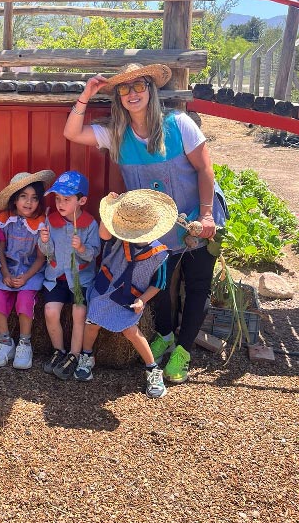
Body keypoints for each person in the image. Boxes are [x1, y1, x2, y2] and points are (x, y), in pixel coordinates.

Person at [63, 62, 227, 384]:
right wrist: (86, 94)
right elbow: (71, 132)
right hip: (153, 225)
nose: (132, 94)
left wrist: (206, 214)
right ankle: (164, 335)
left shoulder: (178, 125)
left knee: (195, 285)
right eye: (124, 89)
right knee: (160, 282)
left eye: (139, 86)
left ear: (151, 90)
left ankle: (183, 351)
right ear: (119, 97)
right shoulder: (116, 134)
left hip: (197, 217)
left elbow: (205, 170)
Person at [76, 189, 177, 398]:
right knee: (91, 320)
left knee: (131, 331)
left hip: (130, 298)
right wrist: (109, 213)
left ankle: (152, 368)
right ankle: (87, 356)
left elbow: (158, 284)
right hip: (106, 290)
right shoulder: (119, 239)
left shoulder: (159, 255)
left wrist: (141, 300)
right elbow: (104, 234)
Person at [0, 170, 55, 370]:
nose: (29, 202)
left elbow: (41, 258)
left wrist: (25, 277)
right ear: (14, 199)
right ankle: (5, 342)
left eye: (34, 198)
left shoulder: (41, 223)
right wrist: (6, 274)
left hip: (30, 271)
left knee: (25, 299)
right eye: (23, 197)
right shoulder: (3, 219)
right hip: (6, 269)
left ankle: (25, 343)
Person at [38, 170, 101, 380]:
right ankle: (59, 350)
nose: (60, 203)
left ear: (81, 200)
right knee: (50, 311)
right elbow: (47, 254)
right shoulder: (51, 221)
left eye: (66, 199)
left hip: (79, 280)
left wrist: (82, 248)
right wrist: (44, 240)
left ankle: (74, 354)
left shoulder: (90, 224)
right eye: (57, 198)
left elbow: (94, 253)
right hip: (56, 278)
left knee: (79, 312)